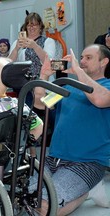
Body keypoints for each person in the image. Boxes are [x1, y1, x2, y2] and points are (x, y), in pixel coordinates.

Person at [34, 44, 110, 215]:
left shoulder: (107, 86)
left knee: (45, 207)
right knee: (26, 196)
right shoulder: (68, 87)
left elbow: (100, 99)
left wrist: (78, 72)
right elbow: (41, 103)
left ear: (104, 61)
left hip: (87, 163)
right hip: (53, 158)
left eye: (88, 58)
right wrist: (43, 77)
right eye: (81, 58)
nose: (82, 61)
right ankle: (86, 190)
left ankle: (85, 192)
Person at [9, 12, 56, 78]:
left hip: (43, 81)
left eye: (34, 25)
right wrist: (16, 49)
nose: (31, 27)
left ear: (40, 26)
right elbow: (9, 64)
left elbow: (49, 63)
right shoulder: (18, 42)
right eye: (28, 25)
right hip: (23, 82)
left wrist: (35, 46)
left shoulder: (48, 41)